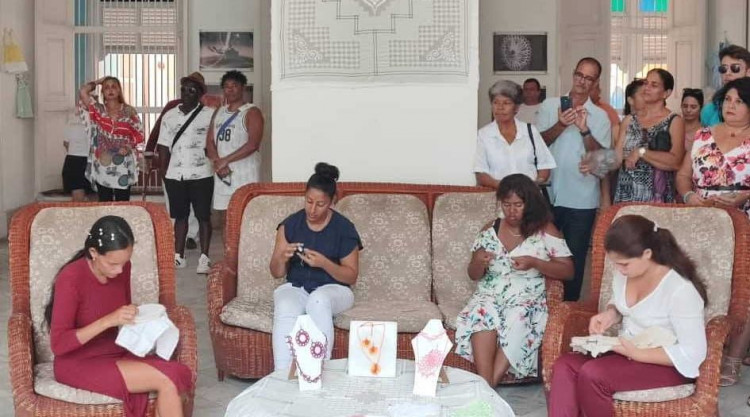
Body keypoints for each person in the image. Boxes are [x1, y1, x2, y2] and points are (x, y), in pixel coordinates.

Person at [548, 215, 707, 417]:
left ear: (647, 254)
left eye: (624, 264)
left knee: (594, 375)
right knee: (565, 365)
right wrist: (610, 314)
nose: (618, 270)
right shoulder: (624, 275)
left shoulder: (680, 290)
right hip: (627, 350)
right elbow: (624, 306)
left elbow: (694, 353)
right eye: (615, 263)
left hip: (666, 364)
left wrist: (638, 354)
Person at [48, 216, 192, 417]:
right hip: (78, 362)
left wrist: (136, 314)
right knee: (168, 380)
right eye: (113, 264)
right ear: (93, 253)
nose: (120, 270)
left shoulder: (123, 268)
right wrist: (109, 320)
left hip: (116, 350)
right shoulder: (70, 278)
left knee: (179, 373)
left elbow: (119, 310)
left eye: (125, 263)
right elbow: (59, 344)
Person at [454, 174, 573, 386]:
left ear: (530, 204)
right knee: (481, 314)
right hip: (490, 293)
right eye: (507, 204)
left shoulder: (545, 230)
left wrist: (536, 263)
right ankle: (487, 385)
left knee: (519, 316)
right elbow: (473, 274)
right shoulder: (490, 228)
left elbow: (568, 271)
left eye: (518, 205)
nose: (512, 211)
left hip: (526, 297)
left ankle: (487, 387)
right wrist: (479, 263)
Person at [677, 77, 750, 387]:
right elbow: (682, 176)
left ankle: (733, 358)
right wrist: (690, 196)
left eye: (739, 101)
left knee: (744, 290)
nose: (730, 106)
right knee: (701, 284)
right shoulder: (704, 135)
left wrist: (743, 195)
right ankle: (700, 352)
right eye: (727, 100)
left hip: (744, 219)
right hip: (703, 219)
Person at [269, 162, 362, 371]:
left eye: (320, 204)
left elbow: (351, 276)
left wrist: (324, 263)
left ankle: (321, 372)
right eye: (308, 201)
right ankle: (282, 375)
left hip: (335, 290)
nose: (312, 209)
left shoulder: (344, 228)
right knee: (285, 304)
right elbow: (276, 273)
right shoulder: (290, 225)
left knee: (318, 301)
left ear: (332, 202)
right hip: (298, 286)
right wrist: (281, 258)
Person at [537, 57, 612, 302]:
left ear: (595, 82)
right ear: (573, 74)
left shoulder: (600, 116)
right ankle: (542, 310)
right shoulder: (549, 106)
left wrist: (584, 129)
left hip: (581, 198)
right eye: (579, 75)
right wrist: (560, 124)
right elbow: (537, 145)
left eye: (588, 78)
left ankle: (567, 312)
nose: (582, 81)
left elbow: (602, 161)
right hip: (546, 195)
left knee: (573, 259)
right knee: (542, 255)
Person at [156, 72, 216, 274]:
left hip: (202, 174)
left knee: (203, 217)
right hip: (176, 175)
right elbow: (163, 146)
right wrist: (165, 173)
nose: (186, 93)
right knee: (180, 217)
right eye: (184, 89)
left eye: (192, 90)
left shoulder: (210, 114)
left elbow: (215, 143)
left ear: (200, 93)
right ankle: (178, 256)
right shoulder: (170, 115)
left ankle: (204, 258)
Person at [613, 68, 685, 203]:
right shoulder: (629, 120)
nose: (647, 88)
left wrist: (641, 152)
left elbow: (675, 162)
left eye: (654, 85)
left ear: (666, 93)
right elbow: (616, 159)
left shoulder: (674, 121)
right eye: (646, 83)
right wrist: (595, 160)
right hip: (626, 197)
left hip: (656, 200)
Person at [474, 80, 556, 189]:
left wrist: (534, 185)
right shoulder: (483, 135)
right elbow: (480, 174)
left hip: (528, 197)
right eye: (496, 102)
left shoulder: (530, 131)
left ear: (516, 108)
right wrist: (506, 188)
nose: (500, 107)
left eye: (506, 103)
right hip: (497, 197)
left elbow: (545, 165)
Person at [206, 70, 263, 215]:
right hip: (223, 174)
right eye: (226, 86)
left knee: (244, 216)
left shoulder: (252, 112)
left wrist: (225, 160)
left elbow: (253, 144)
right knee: (226, 217)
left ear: (243, 88)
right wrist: (217, 162)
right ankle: (228, 239)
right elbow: (210, 141)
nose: (230, 90)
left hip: (245, 175)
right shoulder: (219, 111)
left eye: (234, 86)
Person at [79, 76, 144, 202]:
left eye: (114, 86)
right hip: (102, 164)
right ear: (102, 91)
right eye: (106, 87)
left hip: (123, 163)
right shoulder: (98, 110)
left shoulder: (129, 111)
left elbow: (139, 134)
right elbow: (83, 92)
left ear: (119, 90)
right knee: (104, 203)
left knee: (123, 203)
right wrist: (98, 82)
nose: (110, 90)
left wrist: (128, 146)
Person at [701, 44, 750, 127]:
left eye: (735, 68)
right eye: (723, 69)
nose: (727, 73)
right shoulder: (710, 110)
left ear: (748, 72)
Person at [62, 104, 93, 201]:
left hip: (73, 160)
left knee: (77, 199)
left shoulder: (71, 122)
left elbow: (66, 143)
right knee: (93, 198)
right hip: (87, 160)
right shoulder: (94, 123)